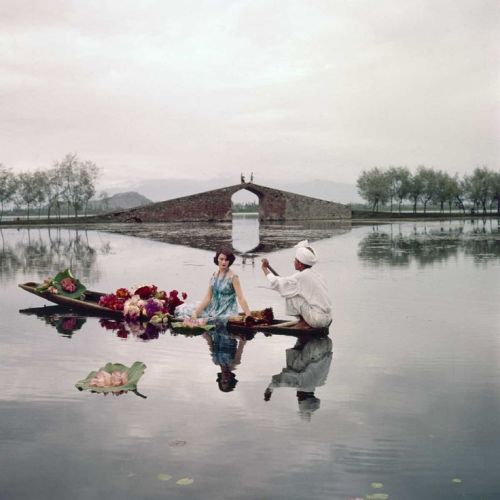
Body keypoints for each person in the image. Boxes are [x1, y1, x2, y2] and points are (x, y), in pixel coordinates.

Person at [261, 240, 332, 328]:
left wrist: (264, 268)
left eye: (295, 260)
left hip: (317, 320)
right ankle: (305, 320)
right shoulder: (317, 274)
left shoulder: (302, 276)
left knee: (290, 294)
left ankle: (303, 322)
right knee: (292, 290)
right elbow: (283, 282)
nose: (293, 261)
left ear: (300, 264)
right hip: (328, 319)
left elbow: (276, 282)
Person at [264, 334, 332, 420]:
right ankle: (302, 339)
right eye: (299, 399)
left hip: (327, 343)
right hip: (314, 347)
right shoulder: (304, 385)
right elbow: (283, 381)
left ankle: (301, 339)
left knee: (298, 369)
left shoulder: (321, 381)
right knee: (293, 369)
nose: (297, 397)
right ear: (303, 398)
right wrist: (270, 389)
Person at [177, 247, 252, 321]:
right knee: (182, 309)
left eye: (226, 260)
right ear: (217, 259)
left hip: (227, 310)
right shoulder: (214, 275)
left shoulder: (233, 277)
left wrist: (249, 315)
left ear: (229, 261)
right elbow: (208, 298)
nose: (223, 262)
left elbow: (241, 298)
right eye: (221, 259)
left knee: (212, 319)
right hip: (213, 307)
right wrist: (196, 313)